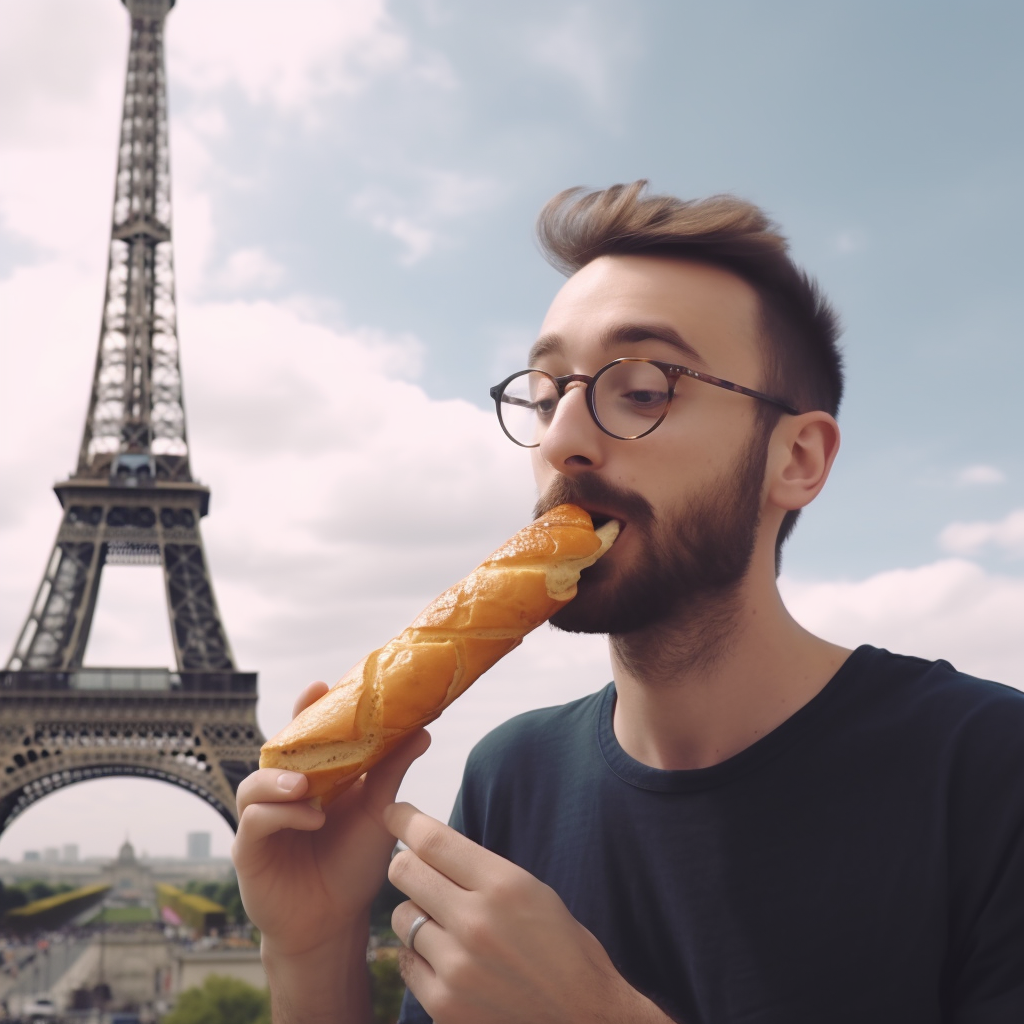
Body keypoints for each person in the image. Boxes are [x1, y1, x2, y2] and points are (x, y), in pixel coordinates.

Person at [232, 181, 1024, 1024]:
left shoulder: (990, 772)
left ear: (797, 458)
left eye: (642, 388)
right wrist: (312, 948)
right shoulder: (511, 776)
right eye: (545, 397)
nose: (564, 438)